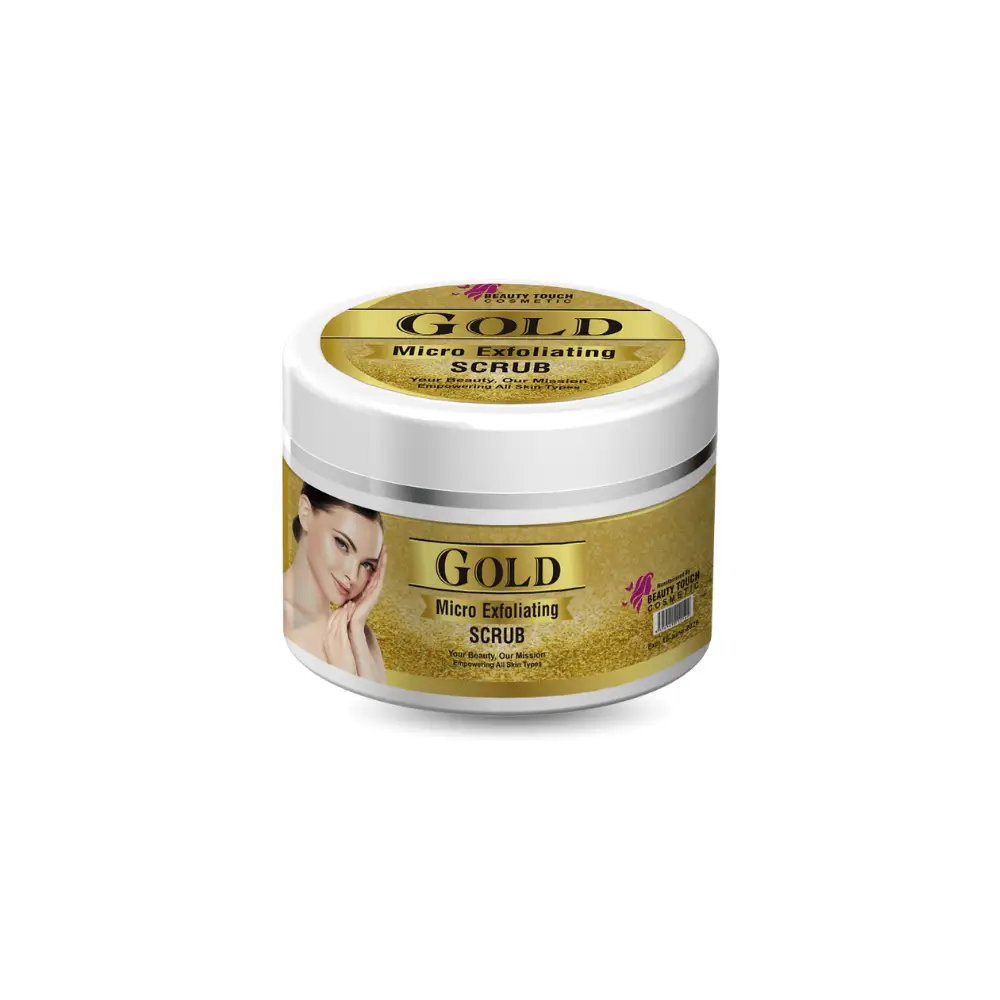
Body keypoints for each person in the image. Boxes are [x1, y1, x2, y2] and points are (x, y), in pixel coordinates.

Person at [283, 483, 386, 681]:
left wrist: (357, 632)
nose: (352, 576)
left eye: (366, 565)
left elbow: (379, 701)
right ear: (306, 513)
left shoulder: (361, 635)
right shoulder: (281, 619)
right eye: (342, 544)